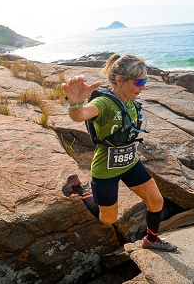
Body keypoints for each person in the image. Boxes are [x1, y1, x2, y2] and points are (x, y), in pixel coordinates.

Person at [61, 54, 177, 252]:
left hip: (130, 163)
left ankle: (151, 239)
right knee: (108, 219)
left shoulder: (131, 102)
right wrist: (75, 104)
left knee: (156, 200)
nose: (143, 87)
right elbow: (81, 115)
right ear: (119, 80)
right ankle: (77, 188)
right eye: (139, 82)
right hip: (106, 169)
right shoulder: (104, 104)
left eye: (145, 81)